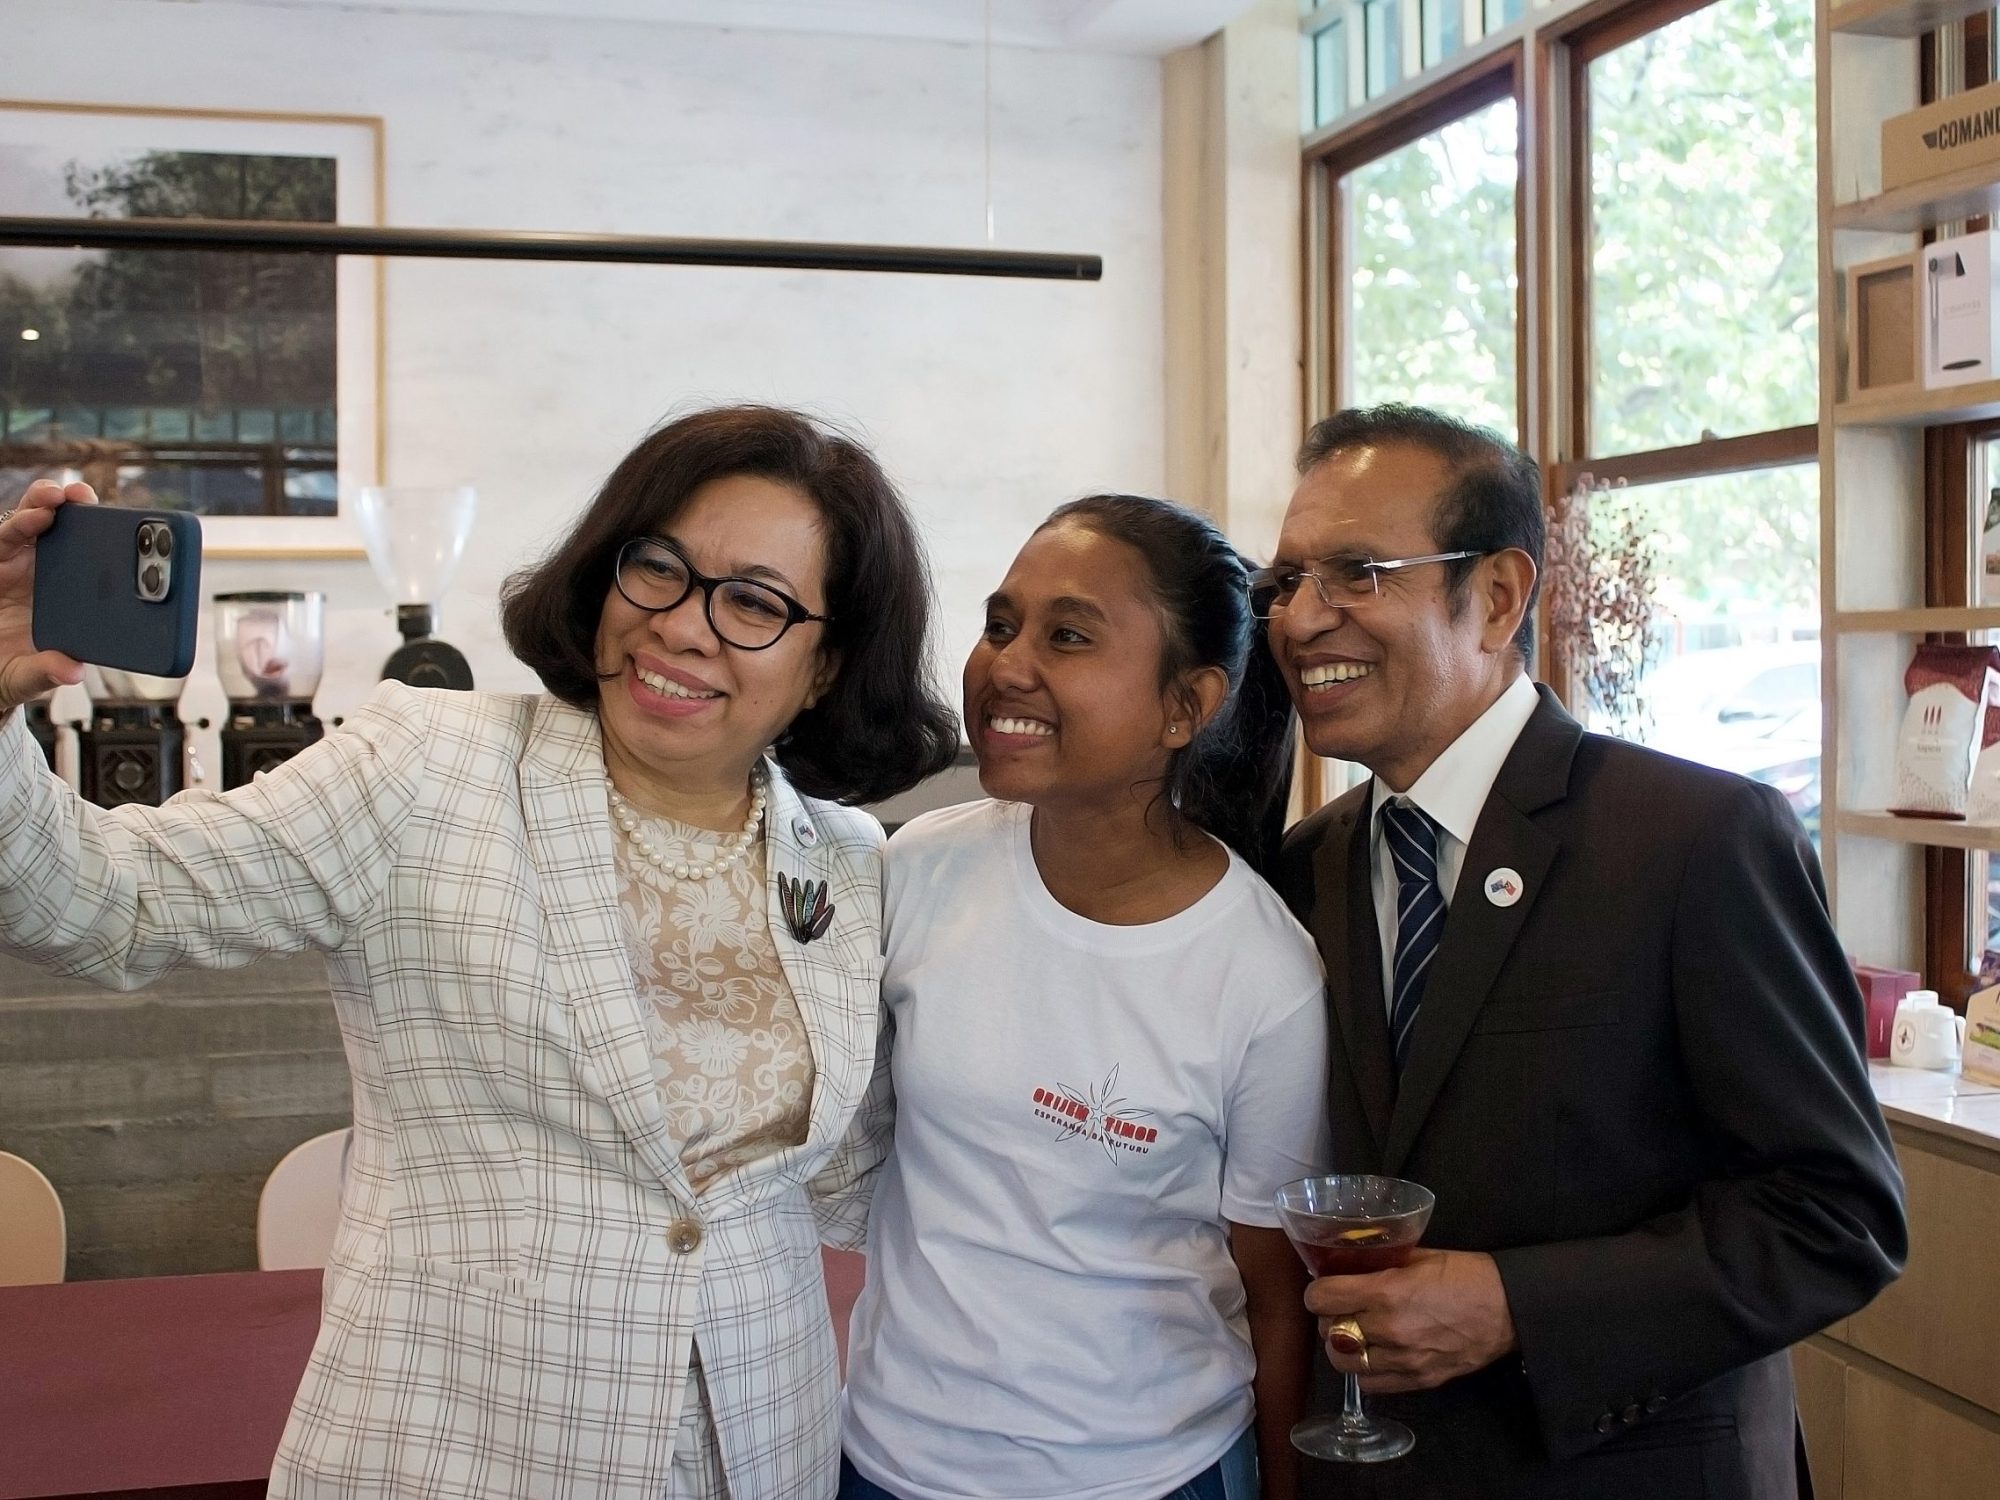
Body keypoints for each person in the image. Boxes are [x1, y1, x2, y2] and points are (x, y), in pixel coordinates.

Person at [0, 405, 958, 1500]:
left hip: (759, 1445)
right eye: (660, 569)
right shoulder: (430, 766)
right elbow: (103, 904)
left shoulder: (844, 862)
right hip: (452, 1450)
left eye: (752, 602)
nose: (685, 626)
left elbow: (848, 1183)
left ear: (825, 664)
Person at [1262, 404, 1908, 1500]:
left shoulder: (1693, 842)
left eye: (1356, 573)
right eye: (1284, 581)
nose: (1300, 620)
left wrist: (1515, 1306)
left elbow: (1832, 1214)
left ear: (1499, 597)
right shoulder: (1302, 870)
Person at [836, 494, 1330, 1500]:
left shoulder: (1262, 975)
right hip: (888, 1457)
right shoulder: (917, 871)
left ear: (1184, 706)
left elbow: (1276, 1296)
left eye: (1066, 636)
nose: (1004, 666)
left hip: (1144, 1471)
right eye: (998, 624)